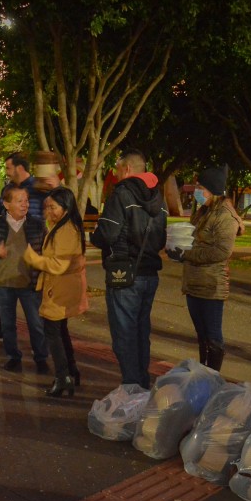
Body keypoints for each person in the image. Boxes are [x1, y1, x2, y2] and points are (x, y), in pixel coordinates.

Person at [91, 149, 168, 389]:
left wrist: (95, 238)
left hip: (123, 274)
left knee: (124, 334)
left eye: (116, 169)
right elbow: (161, 239)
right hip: (149, 274)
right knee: (140, 331)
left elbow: (107, 233)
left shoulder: (121, 194)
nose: (114, 174)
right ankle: (141, 385)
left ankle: (132, 387)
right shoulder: (159, 197)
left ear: (126, 169)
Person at [166, 165, 244, 371]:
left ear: (213, 189)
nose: (197, 191)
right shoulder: (203, 211)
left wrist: (187, 254)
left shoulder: (225, 215)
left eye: (201, 187)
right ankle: (203, 372)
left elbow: (221, 251)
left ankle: (212, 376)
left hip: (211, 285)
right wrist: (178, 248)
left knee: (213, 336)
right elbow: (192, 238)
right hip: (193, 283)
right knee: (201, 335)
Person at [0, 152, 58, 342]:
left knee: (33, 300)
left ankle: (41, 344)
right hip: (9, 246)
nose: (6, 172)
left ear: (19, 168)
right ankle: (4, 331)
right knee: (5, 290)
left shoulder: (39, 187)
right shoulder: (9, 189)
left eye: (8, 168)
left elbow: (57, 205)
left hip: (32, 246)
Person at [0, 185, 49, 373]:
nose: (25, 205)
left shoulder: (37, 225)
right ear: (7, 204)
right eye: (20, 201)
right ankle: (13, 356)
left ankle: (41, 358)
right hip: (4, 283)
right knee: (8, 325)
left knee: (36, 324)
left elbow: (47, 252)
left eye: (26, 200)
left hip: (30, 284)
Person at [23, 187, 88, 396]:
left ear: (66, 207)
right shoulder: (62, 226)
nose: (48, 211)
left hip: (60, 289)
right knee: (60, 331)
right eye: (47, 207)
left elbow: (59, 264)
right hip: (61, 287)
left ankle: (63, 377)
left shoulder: (66, 229)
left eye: (53, 207)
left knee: (53, 332)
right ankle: (71, 371)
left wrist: (32, 257)